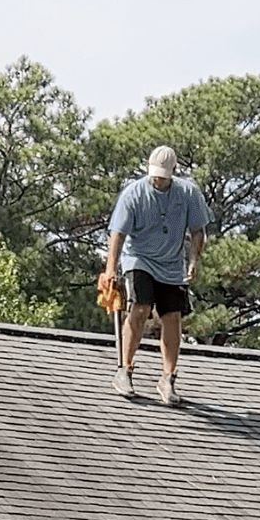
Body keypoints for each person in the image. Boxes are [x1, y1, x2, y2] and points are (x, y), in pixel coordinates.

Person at [103, 145, 211, 405]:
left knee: (172, 317)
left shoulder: (188, 193)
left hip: (172, 263)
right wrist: (110, 269)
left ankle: (168, 378)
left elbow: (199, 231)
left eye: (163, 174)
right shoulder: (134, 193)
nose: (158, 178)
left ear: (174, 172)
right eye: (155, 173)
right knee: (140, 308)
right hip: (138, 258)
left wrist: (193, 260)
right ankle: (125, 369)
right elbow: (117, 234)